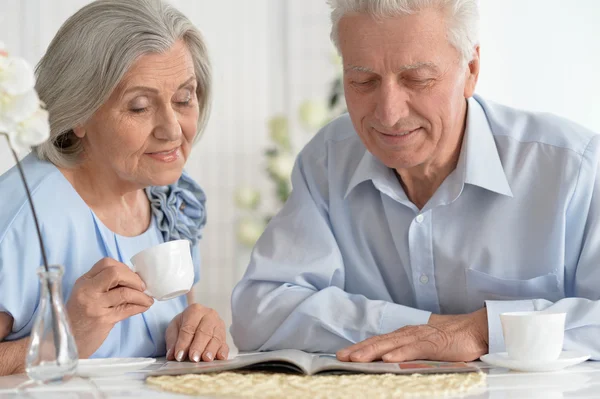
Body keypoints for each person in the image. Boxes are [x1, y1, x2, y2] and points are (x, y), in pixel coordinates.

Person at [231, 0, 600, 363]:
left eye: (417, 79)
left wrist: (482, 332)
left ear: (470, 70)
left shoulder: (574, 167)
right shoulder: (327, 160)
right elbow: (260, 311)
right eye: (363, 81)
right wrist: (433, 332)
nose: (389, 114)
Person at [0, 0, 228, 376]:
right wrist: (61, 340)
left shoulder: (173, 198)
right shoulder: (19, 217)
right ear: (78, 114)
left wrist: (193, 330)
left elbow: (170, 327)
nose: (172, 130)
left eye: (184, 98)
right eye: (139, 107)